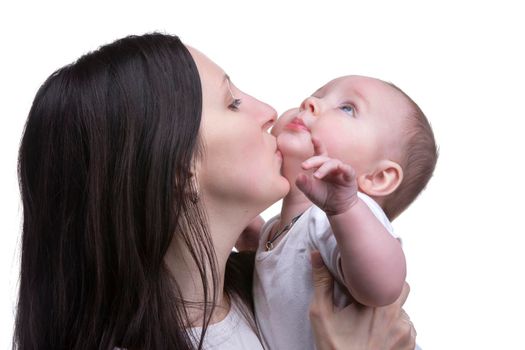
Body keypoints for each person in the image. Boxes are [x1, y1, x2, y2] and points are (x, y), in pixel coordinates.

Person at [14, 33, 416, 350]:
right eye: (233, 103)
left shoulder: (256, 289)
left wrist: (266, 245)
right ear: (178, 169)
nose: (270, 111)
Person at [253, 75, 437, 350]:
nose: (310, 102)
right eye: (315, 93)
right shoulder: (275, 228)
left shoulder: (340, 218)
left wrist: (346, 207)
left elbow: (385, 287)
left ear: (378, 177)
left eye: (347, 108)